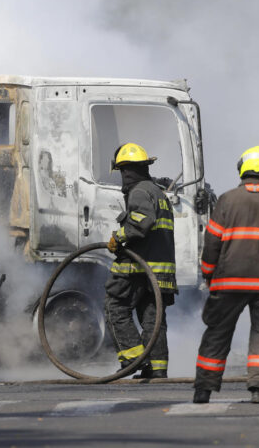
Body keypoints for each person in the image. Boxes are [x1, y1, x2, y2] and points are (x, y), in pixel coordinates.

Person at [193, 146, 259, 405]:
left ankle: (203, 389)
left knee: (217, 332)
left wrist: (207, 272)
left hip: (229, 282)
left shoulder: (227, 200)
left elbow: (212, 241)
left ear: (243, 169)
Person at [104, 143, 176, 380]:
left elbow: (141, 222)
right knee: (152, 320)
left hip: (139, 269)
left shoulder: (139, 191)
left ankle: (133, 359)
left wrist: (119, 237)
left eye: (123, 171)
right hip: (160, 272)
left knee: (116, 307)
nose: (123, 177)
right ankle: (156, 368)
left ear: (127, 171)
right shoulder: (158, 192)